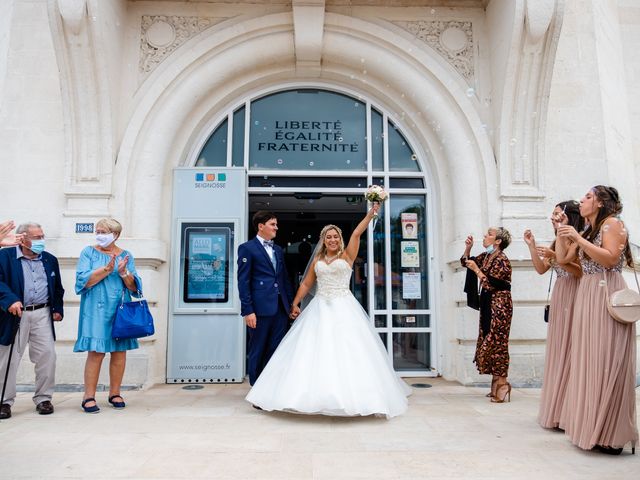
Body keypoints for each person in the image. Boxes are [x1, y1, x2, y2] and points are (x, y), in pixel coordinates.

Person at [245, 204, 411, 418]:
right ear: (323, 240)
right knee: (311, 352)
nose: (332, 240)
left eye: (335, 236)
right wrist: (295, 303)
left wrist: (371, 214)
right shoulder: (317, 260)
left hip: (345, 308)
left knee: (349, 352)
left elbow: (357, 232)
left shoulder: (348, 256)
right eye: (328, 237)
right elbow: (306, 284)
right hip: (319, 308)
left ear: (340, 239)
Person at [556, 186, 638, 454]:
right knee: (589, 360)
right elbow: (564, 261)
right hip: (588, 293)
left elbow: (611, 257)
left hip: (606, 292)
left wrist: (579, 241)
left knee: (606, 360)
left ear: (601, 203)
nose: (581, 200)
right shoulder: (587, 231)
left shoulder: (612, 224)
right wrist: (563, 233)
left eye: (588, 197)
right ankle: (593, 428)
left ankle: (611, 434)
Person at [524, 201, 583, 429]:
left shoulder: (577, 238)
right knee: (560, 348)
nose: (552, 217)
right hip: (560, 294)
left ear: (569, 217)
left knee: (572, 347)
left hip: (575, 292)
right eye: (553, 214)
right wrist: (532, 246)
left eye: (557, 214)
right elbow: (541, 269)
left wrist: (556, 257)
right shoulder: (556, 240)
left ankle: (569, 410)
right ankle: (558, 408)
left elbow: (579, 271)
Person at [74, 218, 142, 413]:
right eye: (98, 231)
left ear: (116, 234)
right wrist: (106, 269)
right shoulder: (88, 252)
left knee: (119, 352)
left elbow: (134, 286)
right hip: (95, 309)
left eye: (104, 231)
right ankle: (89, 396)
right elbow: (83, 281)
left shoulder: (126, 255)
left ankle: (115, 393)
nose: (100, 235)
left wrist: (123, 273)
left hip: (119, 309)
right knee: (96, 352)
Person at [0, 222, 64, 419]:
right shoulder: (5, 256)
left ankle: (44, 398)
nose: (41, 241)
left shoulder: (50, 259)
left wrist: (57, 309)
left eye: (42, 236)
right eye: (37, 237)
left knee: (47, 356)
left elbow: (58, 288)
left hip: (42, 313)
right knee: (8, 360)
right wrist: (10, 300)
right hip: (15, 314)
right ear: (22, 238)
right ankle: (4, 402)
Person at [237, 211, 294, 386]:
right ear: (261, 226)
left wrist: (291, 305)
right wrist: (248, 311)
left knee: (275, 349)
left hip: (280, 309)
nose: (276, 227)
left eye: (276, 224)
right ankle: (256, 389)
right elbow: (243, 281)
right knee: (258, 349)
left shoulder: (277, 249)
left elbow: (283, 279)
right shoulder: (247, 248)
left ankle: (270, 387)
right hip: (259, 310)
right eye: (273, 224)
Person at [461, 227, 513, 402]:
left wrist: (477, 270)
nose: (485, 236)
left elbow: (492, 284)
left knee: (498, 343)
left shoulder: (502, 260)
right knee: (488, 341)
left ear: (498, 241)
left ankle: (503, 384)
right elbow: (466, 262)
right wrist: (468, 249)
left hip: (500, 306)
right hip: (488, 305)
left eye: (489, 234)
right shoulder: (487, 256)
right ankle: (496, 382)